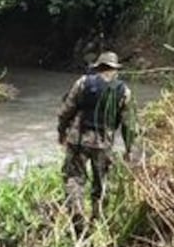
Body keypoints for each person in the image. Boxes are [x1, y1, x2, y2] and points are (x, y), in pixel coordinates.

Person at [57, 51, 135, 224]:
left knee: (74, 178)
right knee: (101, 182)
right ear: (115, 70)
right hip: (103, 143)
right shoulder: (124, 91)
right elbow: (128, 125)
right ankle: (97, 218)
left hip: (78, 139)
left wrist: (61, 132)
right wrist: (129, 149)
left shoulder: (83, 83)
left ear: (98, 67)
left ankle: (77, 213)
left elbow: (65, 111)